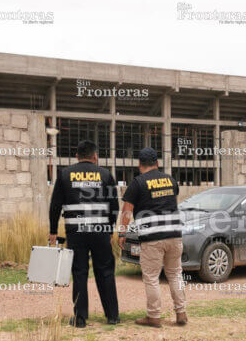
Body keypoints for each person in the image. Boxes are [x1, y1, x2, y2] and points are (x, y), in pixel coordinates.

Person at [49, 140, 120, 328]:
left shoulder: (65, 174)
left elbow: (55, 205)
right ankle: (112, 316)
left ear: (77, 156)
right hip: (100, 231)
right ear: (95, 156)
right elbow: (114, 206)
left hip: (76, 232)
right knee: (105, 272)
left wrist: (53, 231)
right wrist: (110, 229)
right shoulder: (105, 174)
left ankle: (80, 318)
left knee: (79, 272)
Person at [118, 147, 187, 328]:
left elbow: (127, 211)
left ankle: (154, 316)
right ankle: (181, 313)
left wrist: (122, 232)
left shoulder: (138, 183)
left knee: (151, 277)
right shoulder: (171, 180)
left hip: (152, 238)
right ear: (157, 163)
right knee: (174, 274)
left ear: (139, 165)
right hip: (174, 235)